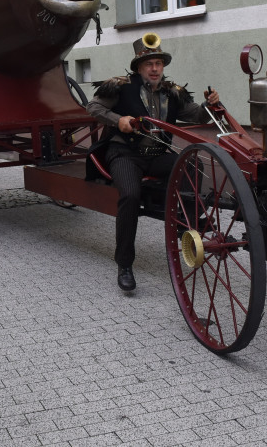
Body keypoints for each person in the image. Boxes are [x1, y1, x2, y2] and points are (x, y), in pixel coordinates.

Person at [86, 36, 220, 292]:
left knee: (193, 165)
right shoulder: (120, 87)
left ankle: (185, 224)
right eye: (149, 64)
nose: (155, 68)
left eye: (159, 63)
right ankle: (124, 264)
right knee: (130, 195)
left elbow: (197, 115)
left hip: (158, 155)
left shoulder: (173, 92)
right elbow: (92, 106)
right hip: (124, 153)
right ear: (139, 67)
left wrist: (210, 104)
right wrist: (118, 120)